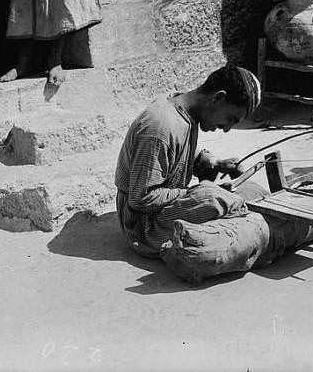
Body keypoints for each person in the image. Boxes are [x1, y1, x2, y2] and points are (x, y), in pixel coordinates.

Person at [115, 65, 268, 258]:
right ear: (218, 98)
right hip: (142, 224)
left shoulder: (185, 111)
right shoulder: (160, 127)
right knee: (212, 199)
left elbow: (179, 154)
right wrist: (194, 192)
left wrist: (214, 162)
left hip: (159, 207)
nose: (227, 129)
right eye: (230, 118)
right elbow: (141, 198)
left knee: (253, 191)